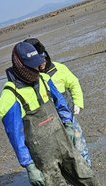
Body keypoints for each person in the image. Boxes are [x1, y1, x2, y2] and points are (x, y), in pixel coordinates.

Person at [0, 42, 106, 186]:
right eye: (33, 65)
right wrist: (28, 166)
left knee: (86, 176)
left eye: (39, 63)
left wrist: (68, 124)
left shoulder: (45, 80)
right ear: (20, 65)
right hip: (43, 155)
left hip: (63, 143)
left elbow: (60, 103)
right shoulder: (9, 98)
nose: (39, 68)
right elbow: (15, 136)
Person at [24, 37, 92, 167]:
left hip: (68, 117)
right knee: (59, 153)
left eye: (44, 58)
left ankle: (87, 169)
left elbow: (74, 83)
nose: (42, 63)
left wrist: (78, 103)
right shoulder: (32, 80)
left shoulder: (59, 68)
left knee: (79, 145)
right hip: (49, 123)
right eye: (39, 61)